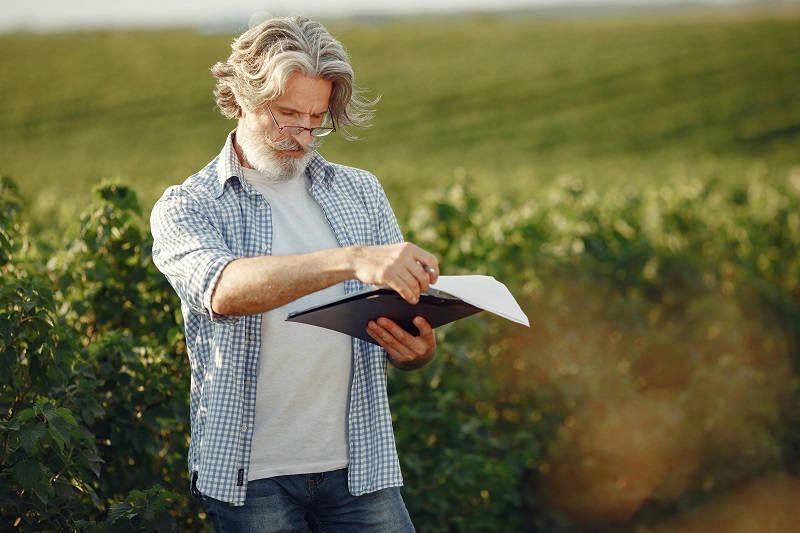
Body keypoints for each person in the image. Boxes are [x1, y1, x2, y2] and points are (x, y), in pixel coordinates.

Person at [150, 15, 439, 532]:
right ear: (240, 99)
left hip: (360, 470)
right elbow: (224, 289)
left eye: (316, 119)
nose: (303, 136)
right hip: (251, 478)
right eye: (286, 116)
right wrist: (350, 259)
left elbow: (394, 317)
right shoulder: (188, 206)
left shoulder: (361, 192)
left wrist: (416, 351)